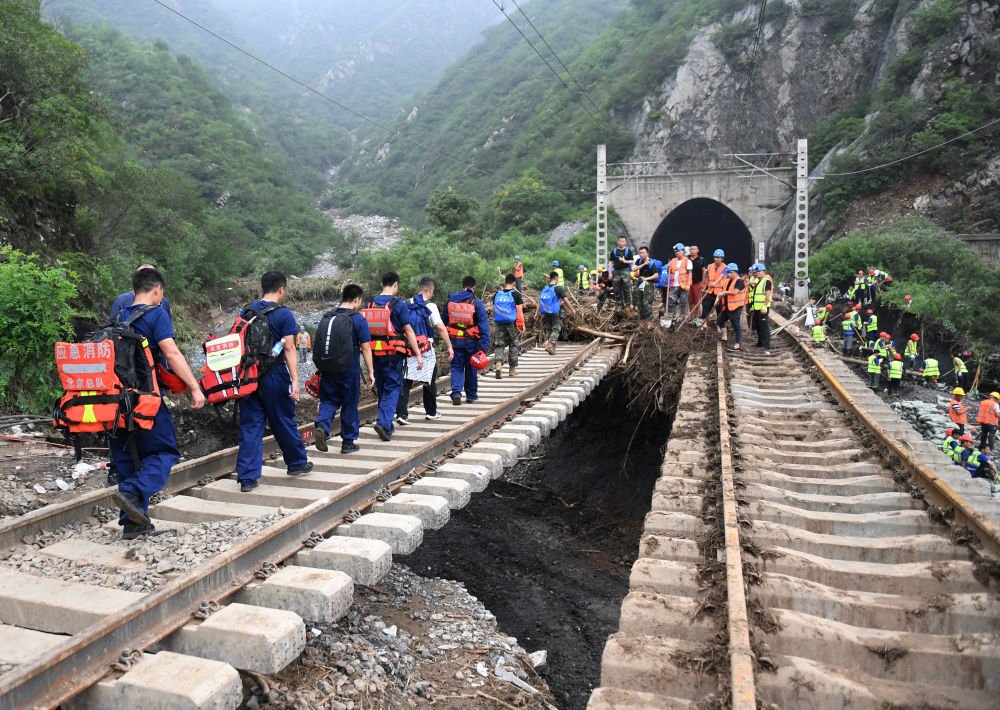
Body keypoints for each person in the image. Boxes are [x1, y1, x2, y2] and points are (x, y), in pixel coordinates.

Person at [110, 267, 204, 539]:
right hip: (146, 401)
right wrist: (194, 388)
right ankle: (132, 492)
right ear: (157, 290)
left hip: (117, 403)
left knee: (129, 459)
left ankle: (134, 524)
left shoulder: (117, 318)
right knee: (164, 452)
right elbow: (171, 354)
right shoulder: (156, 314)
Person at [236, 271, 312, 492]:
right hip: (274, 375)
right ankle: (296, 463)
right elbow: (289, 348)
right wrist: (296, 381)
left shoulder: (246, 311)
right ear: (281, 289)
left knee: (250, 425)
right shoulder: (284, 315)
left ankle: (248, 478)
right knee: (283, 419)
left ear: (262, 288)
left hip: (248, 375)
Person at [313, 284, 375, 454]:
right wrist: (371, 371)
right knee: (349, 403)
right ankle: (348, 442)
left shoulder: (328, 316)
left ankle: (323, 425)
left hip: (327, 368)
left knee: (329, 401)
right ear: (357, 299)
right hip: (349, 369)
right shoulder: (357, 318)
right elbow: (366, 347)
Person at [366, 272, 423, 441]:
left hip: (374, 352)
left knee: (383, 388)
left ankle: (387, 425)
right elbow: (408, 330)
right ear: (395, 285)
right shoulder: (398, 304)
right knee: (393, 387)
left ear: (382, 283)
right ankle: (383, 423)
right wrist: (418, 355)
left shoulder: (371, 303)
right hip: (392, 353)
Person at [396, 277, 454, 424]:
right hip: (425, 348)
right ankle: (431, 412)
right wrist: (449, 346)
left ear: (419, 288)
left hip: (408, 346)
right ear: (430, 290)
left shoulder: (405, 304)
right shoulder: (431, 306)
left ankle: (402, 414)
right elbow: (440, 327)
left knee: (405, 381)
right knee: (429, 380)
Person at [446, 275, 491, 405]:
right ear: (474, 288)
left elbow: (443, 320)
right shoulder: (476, 302)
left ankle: (456, 393)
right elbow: (483, 325)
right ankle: (471, 395)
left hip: (455, 340)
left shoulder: (451, 301)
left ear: (462, 286)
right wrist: (484, 345)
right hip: (471, 341)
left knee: (456, 367)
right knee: (471, 367)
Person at [491, 274, 525, 379]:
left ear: (505, 282)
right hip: (512, 323)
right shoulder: (516, 294)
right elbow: (519, 311)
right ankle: (512, 369)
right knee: (514, 344)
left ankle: (498, 365)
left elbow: (494, 309)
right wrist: (521, 324)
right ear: (514, 282)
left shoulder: (497, 294)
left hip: (499, 322)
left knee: (499, 344)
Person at [536, 271, 571, 354]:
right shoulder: (558, 288)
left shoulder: (545, 288)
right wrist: (572, 309)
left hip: (545, 311)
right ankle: (550, 344)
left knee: (549, 329)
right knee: (556, 328)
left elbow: (539, 301)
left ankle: (552, 349)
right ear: (556, 278)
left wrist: (536, 312)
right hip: (554, 312)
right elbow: (566, 300)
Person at [716, 263, 746, 350]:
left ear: (735, 272)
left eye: (731, 272)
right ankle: (724, 336)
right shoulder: (726, 281)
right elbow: (721, 292)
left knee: (736, 325)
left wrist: (724, 293)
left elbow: (735, 292)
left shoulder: (739, 281)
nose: (729, 274)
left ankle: (737, 344)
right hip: (727, 307)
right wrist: (717, 300)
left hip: (735, 307)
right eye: (728, 272)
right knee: (719, 320)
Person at [664, 243, 692, 326]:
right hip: (674, 284)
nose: (677, 253)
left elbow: (690, 273)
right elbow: (668, 270)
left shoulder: (687, 261)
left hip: (683, 285)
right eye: (676, 251)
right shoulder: (673, 260)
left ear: (683, 251)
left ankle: (682, 317)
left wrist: (688, 285)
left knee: (683, 301)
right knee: (671, 300)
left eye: (678, 251)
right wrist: (669, 268)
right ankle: (670, 316)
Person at [749, 262, 773, 352]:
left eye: (759, 271)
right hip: (756, 308)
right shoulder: (758, 281)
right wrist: (753, 307)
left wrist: (765, 306)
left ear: (763, 271)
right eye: (756, 271)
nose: (757, 273)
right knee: (758, 326)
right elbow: (755, 295)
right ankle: (760, 343)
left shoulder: (767, 281)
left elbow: (767, 295)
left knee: (764, 326)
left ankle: (766, 344)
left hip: (763, 308)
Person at [634, 246, 661, 321]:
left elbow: (656, 275)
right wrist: (643, 264)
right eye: (640, 253)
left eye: (643, 253)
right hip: (640, 283)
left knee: (646, 303)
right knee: (639, 302)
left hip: (648, 284)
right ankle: (642, 319)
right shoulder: (639, 261)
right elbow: (633, 269)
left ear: (647, 253)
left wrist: (646, 278)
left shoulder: (651, 263)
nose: (641, 254)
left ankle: (650, 319)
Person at [610, 235, 634, 308]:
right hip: (616, 271)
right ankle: (619, 304)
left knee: (627, 288)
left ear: (625, 242)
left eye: (623, 241)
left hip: (625, 271)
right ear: (618, 241)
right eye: (620, 241)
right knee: (616, 288)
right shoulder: (614, 251)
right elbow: (611, 262)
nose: (621, 243)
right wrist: (610, 272)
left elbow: (632, 261)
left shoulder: (628, 251)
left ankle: (628, 304)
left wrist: (625, 261)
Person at [702, 249, 727, 318]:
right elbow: (707, 277)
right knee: (706, 306)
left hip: (719, 292)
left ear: (722, 258)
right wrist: (704, 288)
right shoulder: (710, 266)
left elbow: (722, 276)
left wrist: (715, 283)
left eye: (718, 257)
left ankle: (719, 325)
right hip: (710, 291)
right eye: (715, 257)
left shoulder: (725, 267)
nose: (716, 259)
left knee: (719, 309)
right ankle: (705, 323)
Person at [687, 244, 707, 320]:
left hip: (697, 282)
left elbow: (704, 272)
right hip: (689, 283)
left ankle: (697, 316)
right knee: (690, 300)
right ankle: (691, 315)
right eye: (691, 249)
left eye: (694, 249)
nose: (692, 251)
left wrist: (703, 282)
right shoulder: (687, 260)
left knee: (697, 300)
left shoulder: (701, 260)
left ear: (697, 250)